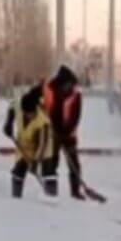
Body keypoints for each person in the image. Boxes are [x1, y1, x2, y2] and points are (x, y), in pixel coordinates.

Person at [2, 84, 53, 199]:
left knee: (48, 168)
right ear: (23, 111)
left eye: (32, 114)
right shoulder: (19, 106)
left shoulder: (43, 121)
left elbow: (42, 145)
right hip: (24, 143)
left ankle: (51, 194)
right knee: (19, 170)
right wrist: (8, 123)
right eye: (28, 114)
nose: (30, 116)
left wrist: (35, 161)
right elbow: (12, 108)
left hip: (41, 144)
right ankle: (16, 198)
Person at [41, 65, 84, 199]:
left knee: (74, 163)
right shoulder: (50, 90)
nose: (70, 87)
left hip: (69, 134)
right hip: (53, 132)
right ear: (62, 82)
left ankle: (75, 191)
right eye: (68, 84)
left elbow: (76, 116)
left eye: (71, 84)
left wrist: (67, 131)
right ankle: (50, 190)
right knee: (51, 162)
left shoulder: (76, 95)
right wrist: (54, 129)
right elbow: (46, 111)